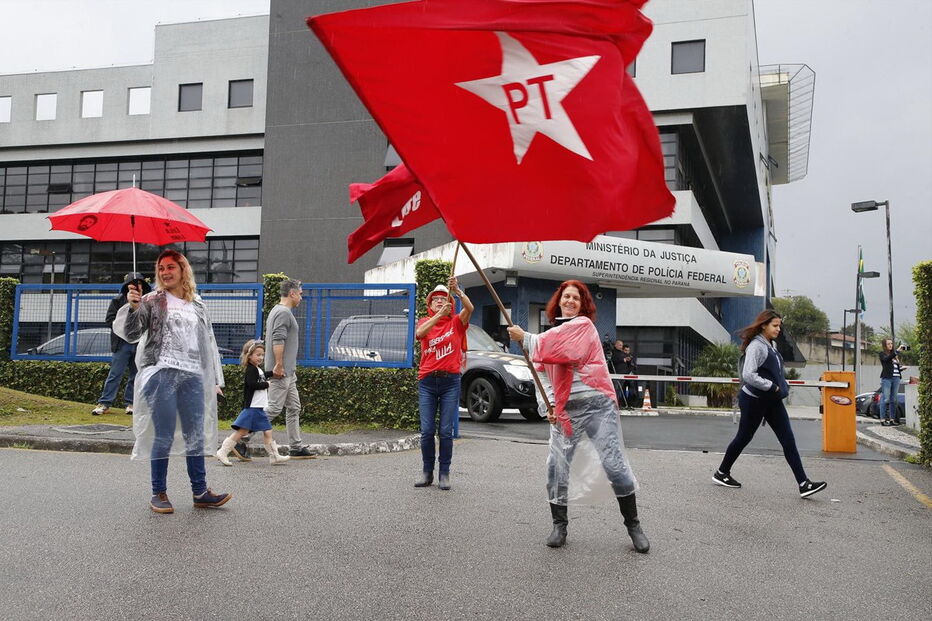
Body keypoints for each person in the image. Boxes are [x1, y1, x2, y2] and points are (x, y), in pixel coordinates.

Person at [507, 280, 649, 553]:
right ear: (558, 302)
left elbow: (567, 350)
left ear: (583, 305)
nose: (570, 301)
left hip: (598, 406)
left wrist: (526, 338)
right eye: (566, 297)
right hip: (565, 411)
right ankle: (559, 525)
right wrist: (547, 406)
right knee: (557, 467)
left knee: (614, 464)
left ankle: (634, 525)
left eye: (576, 298)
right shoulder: (548, 338)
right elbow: (542, 378)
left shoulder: (583, 327)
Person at [114, 249, 231, 514]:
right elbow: (131, 334)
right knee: (163, 434)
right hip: (161, 373)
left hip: (193, 375)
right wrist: (133, 307)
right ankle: (159, 493)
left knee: (195, 434)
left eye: (171, 267)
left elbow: (208, 344)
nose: (165, 272)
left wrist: (213, 378)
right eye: (161, 268)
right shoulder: (152, 300)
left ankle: (200, 492)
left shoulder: (197, 304)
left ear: (183, 271)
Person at [713, 309, 827, 498]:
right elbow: (748, 374)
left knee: (788, 440)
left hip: (772, 402)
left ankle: (803, 483)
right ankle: (722, 473)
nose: (778, 329)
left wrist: (781, 385)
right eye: (775, 325)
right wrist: (772, 387)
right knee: (743, 437)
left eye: (779, 325)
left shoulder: (770, 344)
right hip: (754, 400)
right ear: (764, 325)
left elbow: (774, 371)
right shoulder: (756, 346)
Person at [239, 279, 315, 460]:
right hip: (281, 371)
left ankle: (295, 446)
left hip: (289, 372)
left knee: (294, 407)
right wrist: (278, 365)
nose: (301, 298)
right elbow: (277, 339)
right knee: (272, 409)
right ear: (292, 293)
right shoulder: (283, 313)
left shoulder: (277, 310)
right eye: (301, 294)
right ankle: (241, 439)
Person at [414, 276, 473, 491]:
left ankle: (445, 472)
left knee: (446, 431)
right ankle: (427, 471)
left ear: (450, 304)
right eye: (435, 299)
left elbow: (470, 308)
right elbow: (420, 334)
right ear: (430, 305)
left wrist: (457, 291)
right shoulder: (424, 322)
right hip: (428, 382)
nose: (439, 300)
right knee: (427, 430)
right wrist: (439, 314)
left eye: (443, 298)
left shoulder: (457, 322)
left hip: (450, 382)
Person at [216, 340, 290, 465]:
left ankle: (274, 456)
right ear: (249, 355)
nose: (261, 357)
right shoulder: (251, 370)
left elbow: (261, 376)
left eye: (262, 355)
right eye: (258, 355)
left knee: (262, 431)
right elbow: (252, 384)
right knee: (245, 431)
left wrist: (272, 374)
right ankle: (223, 451)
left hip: (258, 407)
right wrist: (266, 384)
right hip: (253, 408)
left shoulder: (257, 369)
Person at [92, 273, 151, 416]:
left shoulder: (147, 301)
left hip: (139, 344)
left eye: (139, 285)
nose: (136, 288)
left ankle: (131, 403)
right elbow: (110, 319)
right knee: (115, 374)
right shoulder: (118, 300)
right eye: (133, 285)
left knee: (135, 375)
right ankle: (104, 403)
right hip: (122, 344)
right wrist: (125, 315)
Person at [879, 339, 907, 426]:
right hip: (887, 378)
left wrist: (901, 368)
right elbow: (887, 359)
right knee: (885, 399)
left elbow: (895, 368)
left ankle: (892, 419)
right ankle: (883, 420)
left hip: (896, 378)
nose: (890, 345)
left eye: (891, 343)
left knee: (894, 400)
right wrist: (897, 351)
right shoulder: (882, 354)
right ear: (885, 345)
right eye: (888, 344)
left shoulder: (895, 356)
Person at [610, 340, 637, 408]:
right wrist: (623, 360)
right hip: (617, 374)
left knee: (620, 390)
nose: (621, 346)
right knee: (616, 389)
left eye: (621, 345)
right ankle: (615, 404)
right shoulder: (613, 352)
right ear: (616, 345)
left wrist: (628, 359)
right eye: (620, 345)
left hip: (624, 374)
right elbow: (613, 360)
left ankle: (622, 404)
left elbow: (630, 362)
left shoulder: (622, 353)